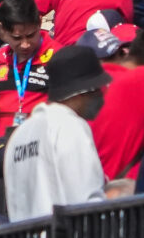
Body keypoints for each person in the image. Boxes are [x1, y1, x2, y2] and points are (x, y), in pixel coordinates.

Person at [6, 43, 112, 220]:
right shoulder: (69, 126)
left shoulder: (20, 135)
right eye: (98, 90)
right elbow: (87, 199)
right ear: (83, 91)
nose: (101, 96)